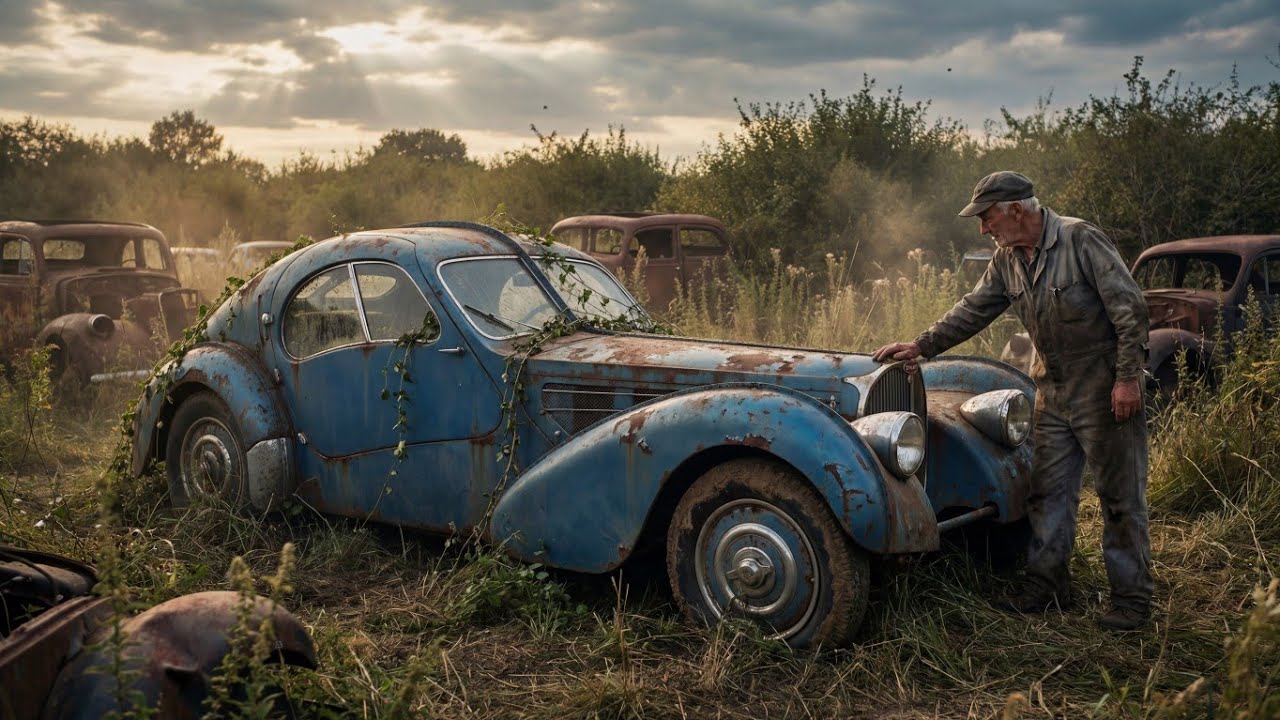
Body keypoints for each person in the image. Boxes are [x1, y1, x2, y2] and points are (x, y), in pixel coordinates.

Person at [872, 171, 1153, 631]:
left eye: (987, 218)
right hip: (1052, 390)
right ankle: (1048, 585)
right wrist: (921, 346)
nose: (984, 229)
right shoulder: (1007, 260)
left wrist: (1126, 380)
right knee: (1046, 492)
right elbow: (974, 308)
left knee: (1119, 496)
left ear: (1017, 210)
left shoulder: (1080, 239)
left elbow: (1130, 311)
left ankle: (1132, 601)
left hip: (1103, 388)